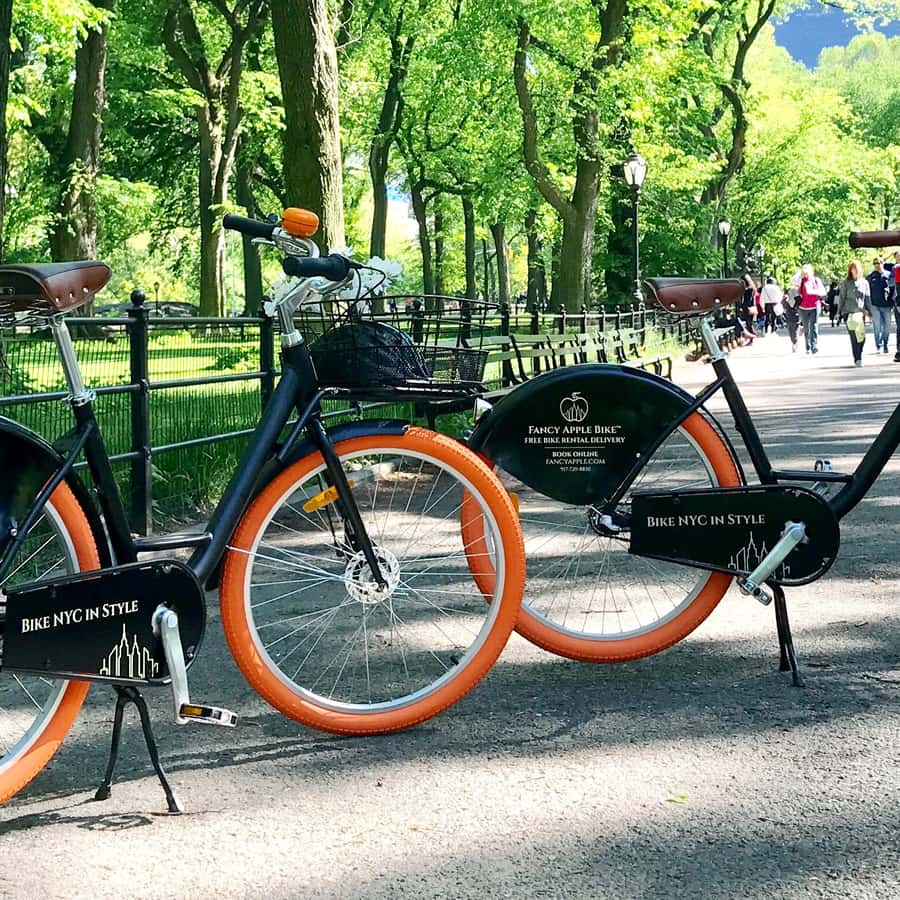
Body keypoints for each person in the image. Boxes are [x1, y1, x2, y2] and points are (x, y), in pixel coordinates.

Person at [838, 259, 872, 367]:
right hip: (848, 313)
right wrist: (838, 312)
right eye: (853, 269)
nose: (855, 271)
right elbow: (841, 298)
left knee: (861, 337)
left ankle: (859, 353)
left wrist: (869, 312)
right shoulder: (845, 283)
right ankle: (857, 358)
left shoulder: (864, 283)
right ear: (850, 270)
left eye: (857, 269)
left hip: (860, 314)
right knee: (853, 337)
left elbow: (867, 298)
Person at [796, 263, 827, 354]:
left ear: (811, 272)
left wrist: (813, 292)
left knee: (814, 326)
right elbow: (792, 280)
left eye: (807, 272)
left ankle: (814, 345)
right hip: (803, 307)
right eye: (804, 272)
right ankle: (808, 347)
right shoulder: (801, 281)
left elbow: (823, 292)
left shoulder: (816, 280)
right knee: (806, 328)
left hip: (814, 305)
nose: (805, 274)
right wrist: (799, 273)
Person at [867, 257, 892, 354]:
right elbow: (866, 292)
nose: (877, 265)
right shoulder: (870, 277)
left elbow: (893, 289)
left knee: (887, 326)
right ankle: (879, 345)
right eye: (875, 263)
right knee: (877, 326)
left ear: (883, 263)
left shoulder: (889, 275)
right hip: (874, 305)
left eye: (879, 263)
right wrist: (867, 307)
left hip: (886, 305)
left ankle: (885, 343)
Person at [782, 284, 800, 353]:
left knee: (793, 329)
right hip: (792, 315)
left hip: (792, 316)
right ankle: (794, 342)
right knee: (793, 329)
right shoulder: (786, 298)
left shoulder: (797, 299)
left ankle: (794, 342)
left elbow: (783, 305)